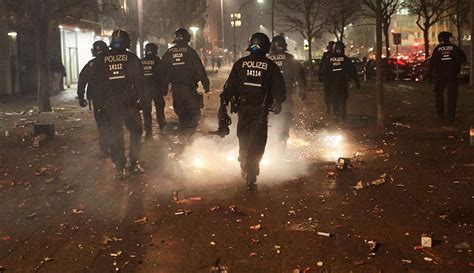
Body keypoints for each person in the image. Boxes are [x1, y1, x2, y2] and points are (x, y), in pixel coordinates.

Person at [219, 32, 286, 191]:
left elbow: (229, 88)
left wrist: (224, 104)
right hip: (260, 112)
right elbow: (280, 90)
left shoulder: (240, 64)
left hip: (243, 110)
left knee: (243, 138)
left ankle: (244, 162)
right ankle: (251, 173)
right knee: (257, 142)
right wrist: (278, 102)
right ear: (266, 47)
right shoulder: (271, 66)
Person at [90, 29, 145, 180]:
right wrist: (142, 101)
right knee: (136, 131)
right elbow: (140, 82)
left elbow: (95, 85)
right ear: (127, 42)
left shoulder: (100, 60)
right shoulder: (132, 58)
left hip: (110, 104)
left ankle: (120, 168)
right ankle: (134, 163)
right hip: (129, 103)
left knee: (116, 135)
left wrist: (99, 105)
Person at [162, 28, 210, 135]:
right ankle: (186, 136)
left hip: (176, 90)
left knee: (181, 114)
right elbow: (200, 70)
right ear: (187, 39)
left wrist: (164, 88)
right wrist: (206, 84)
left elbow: (162, 72)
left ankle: (184, 137)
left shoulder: (168, 53)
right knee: (194, 114)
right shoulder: (191, 52)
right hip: (189, 89)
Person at [268, 35, 307, 146]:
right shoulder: (290, 58)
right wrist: (302, 88)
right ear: (285, 46)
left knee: (269, 116)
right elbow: (300, 75)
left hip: (269, 95)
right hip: (285, 94)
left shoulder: (267, 59)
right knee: (286, 114)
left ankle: (271, 137)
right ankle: (283, 137)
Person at [77, 40, 110, 155]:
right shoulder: (111, 61)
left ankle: (104, 148)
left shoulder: (91, 64)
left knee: (101, 123)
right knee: (113, 121)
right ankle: (114, 145)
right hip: (112, 97)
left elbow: (82, 80)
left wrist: (81, 97)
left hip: (97, 98)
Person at [427, 31, 467, 123]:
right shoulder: (455, 48)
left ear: (440, 39)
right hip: (452, 75)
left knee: (438, 94)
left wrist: (429, 76)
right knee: (452, 95)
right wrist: (456, 64)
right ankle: (451, 115)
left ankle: (441, 114)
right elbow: (463, 58)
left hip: (440, 75)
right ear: (449, 38)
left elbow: (432, 63)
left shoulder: (437, 49)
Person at [321, 41, 360, 122]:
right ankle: (343, 117)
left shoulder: (328, 60)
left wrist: (325, 83)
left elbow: (324, 72)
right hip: (342, 85)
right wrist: (357, 82)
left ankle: (336, 115)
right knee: (342, 101)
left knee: (334, 101)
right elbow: (352, 71)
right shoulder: (345, 59)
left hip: (332, 85)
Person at [142, 42, 167, 139]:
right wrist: (164, 88)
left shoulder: (141, 62)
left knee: (146, 111)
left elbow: (137, 78)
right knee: (159, 109)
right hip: (157, 89)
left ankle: (148, 131)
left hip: (145, 90)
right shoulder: (159, 62)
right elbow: (163, 77)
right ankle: (162, 126)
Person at [319, 41, 335, 114]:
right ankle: (333, 108)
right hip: (332, 78)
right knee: (332, 93)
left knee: (328, 93)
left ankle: (329, 107)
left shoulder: (326, 55)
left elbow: (321, 66)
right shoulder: (335, 54)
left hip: (328, 78)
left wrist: (320, 75)